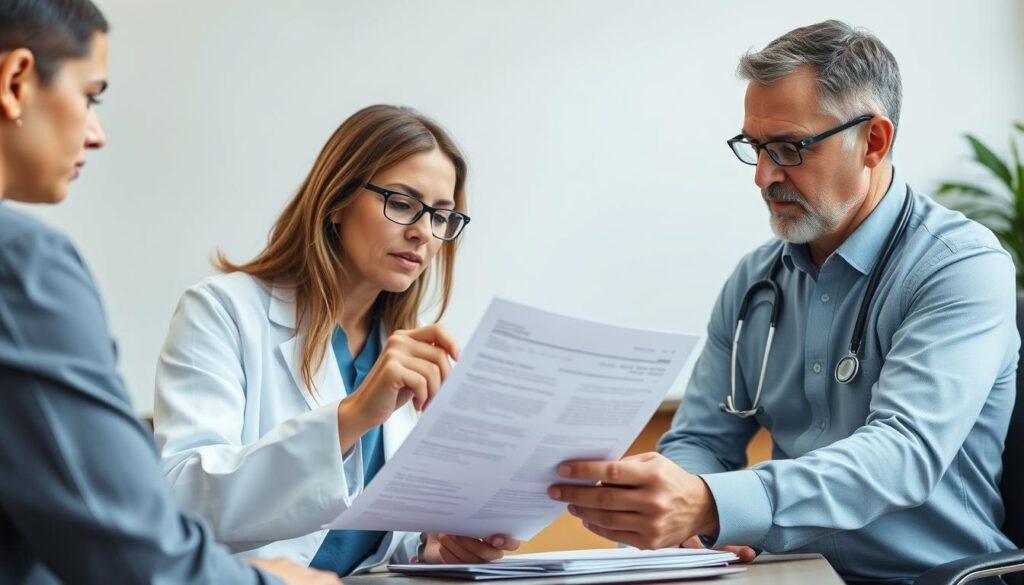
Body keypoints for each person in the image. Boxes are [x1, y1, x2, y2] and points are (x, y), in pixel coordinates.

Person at [547, 20, 1019, 583]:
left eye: (790, 148)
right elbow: (701, 439)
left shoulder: (958, 265)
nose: (764, 176)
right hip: (785, 574)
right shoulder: (756, 282)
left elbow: (903, 456)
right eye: (755, 147)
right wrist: (687, 510)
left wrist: (714, 504)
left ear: (873, 141)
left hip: (927, 578)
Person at [0, 1, 339, 583]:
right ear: (15, 81)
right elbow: (133, 550)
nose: (96, 133)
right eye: (91, 95)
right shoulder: (23, 264)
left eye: (444, 215)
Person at [152, 104, 520, 575]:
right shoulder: (221, 311)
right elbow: (181, 499)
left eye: (440, 216)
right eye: (403, 203)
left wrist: (429, 548)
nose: (422, 232)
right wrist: (348, 419)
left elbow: (371, 539)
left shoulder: (410, 350)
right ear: (336, 201)